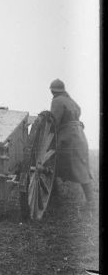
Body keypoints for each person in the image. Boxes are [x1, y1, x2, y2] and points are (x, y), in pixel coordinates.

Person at [49, 79, 95, 213]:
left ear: (52, 90)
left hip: (68, 139)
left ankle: (54, 198)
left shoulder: (57, 101)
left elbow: (54, 122)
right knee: (82, 168)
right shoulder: (70, 100)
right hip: (80, 136)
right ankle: (90, 201)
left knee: (50, 165)